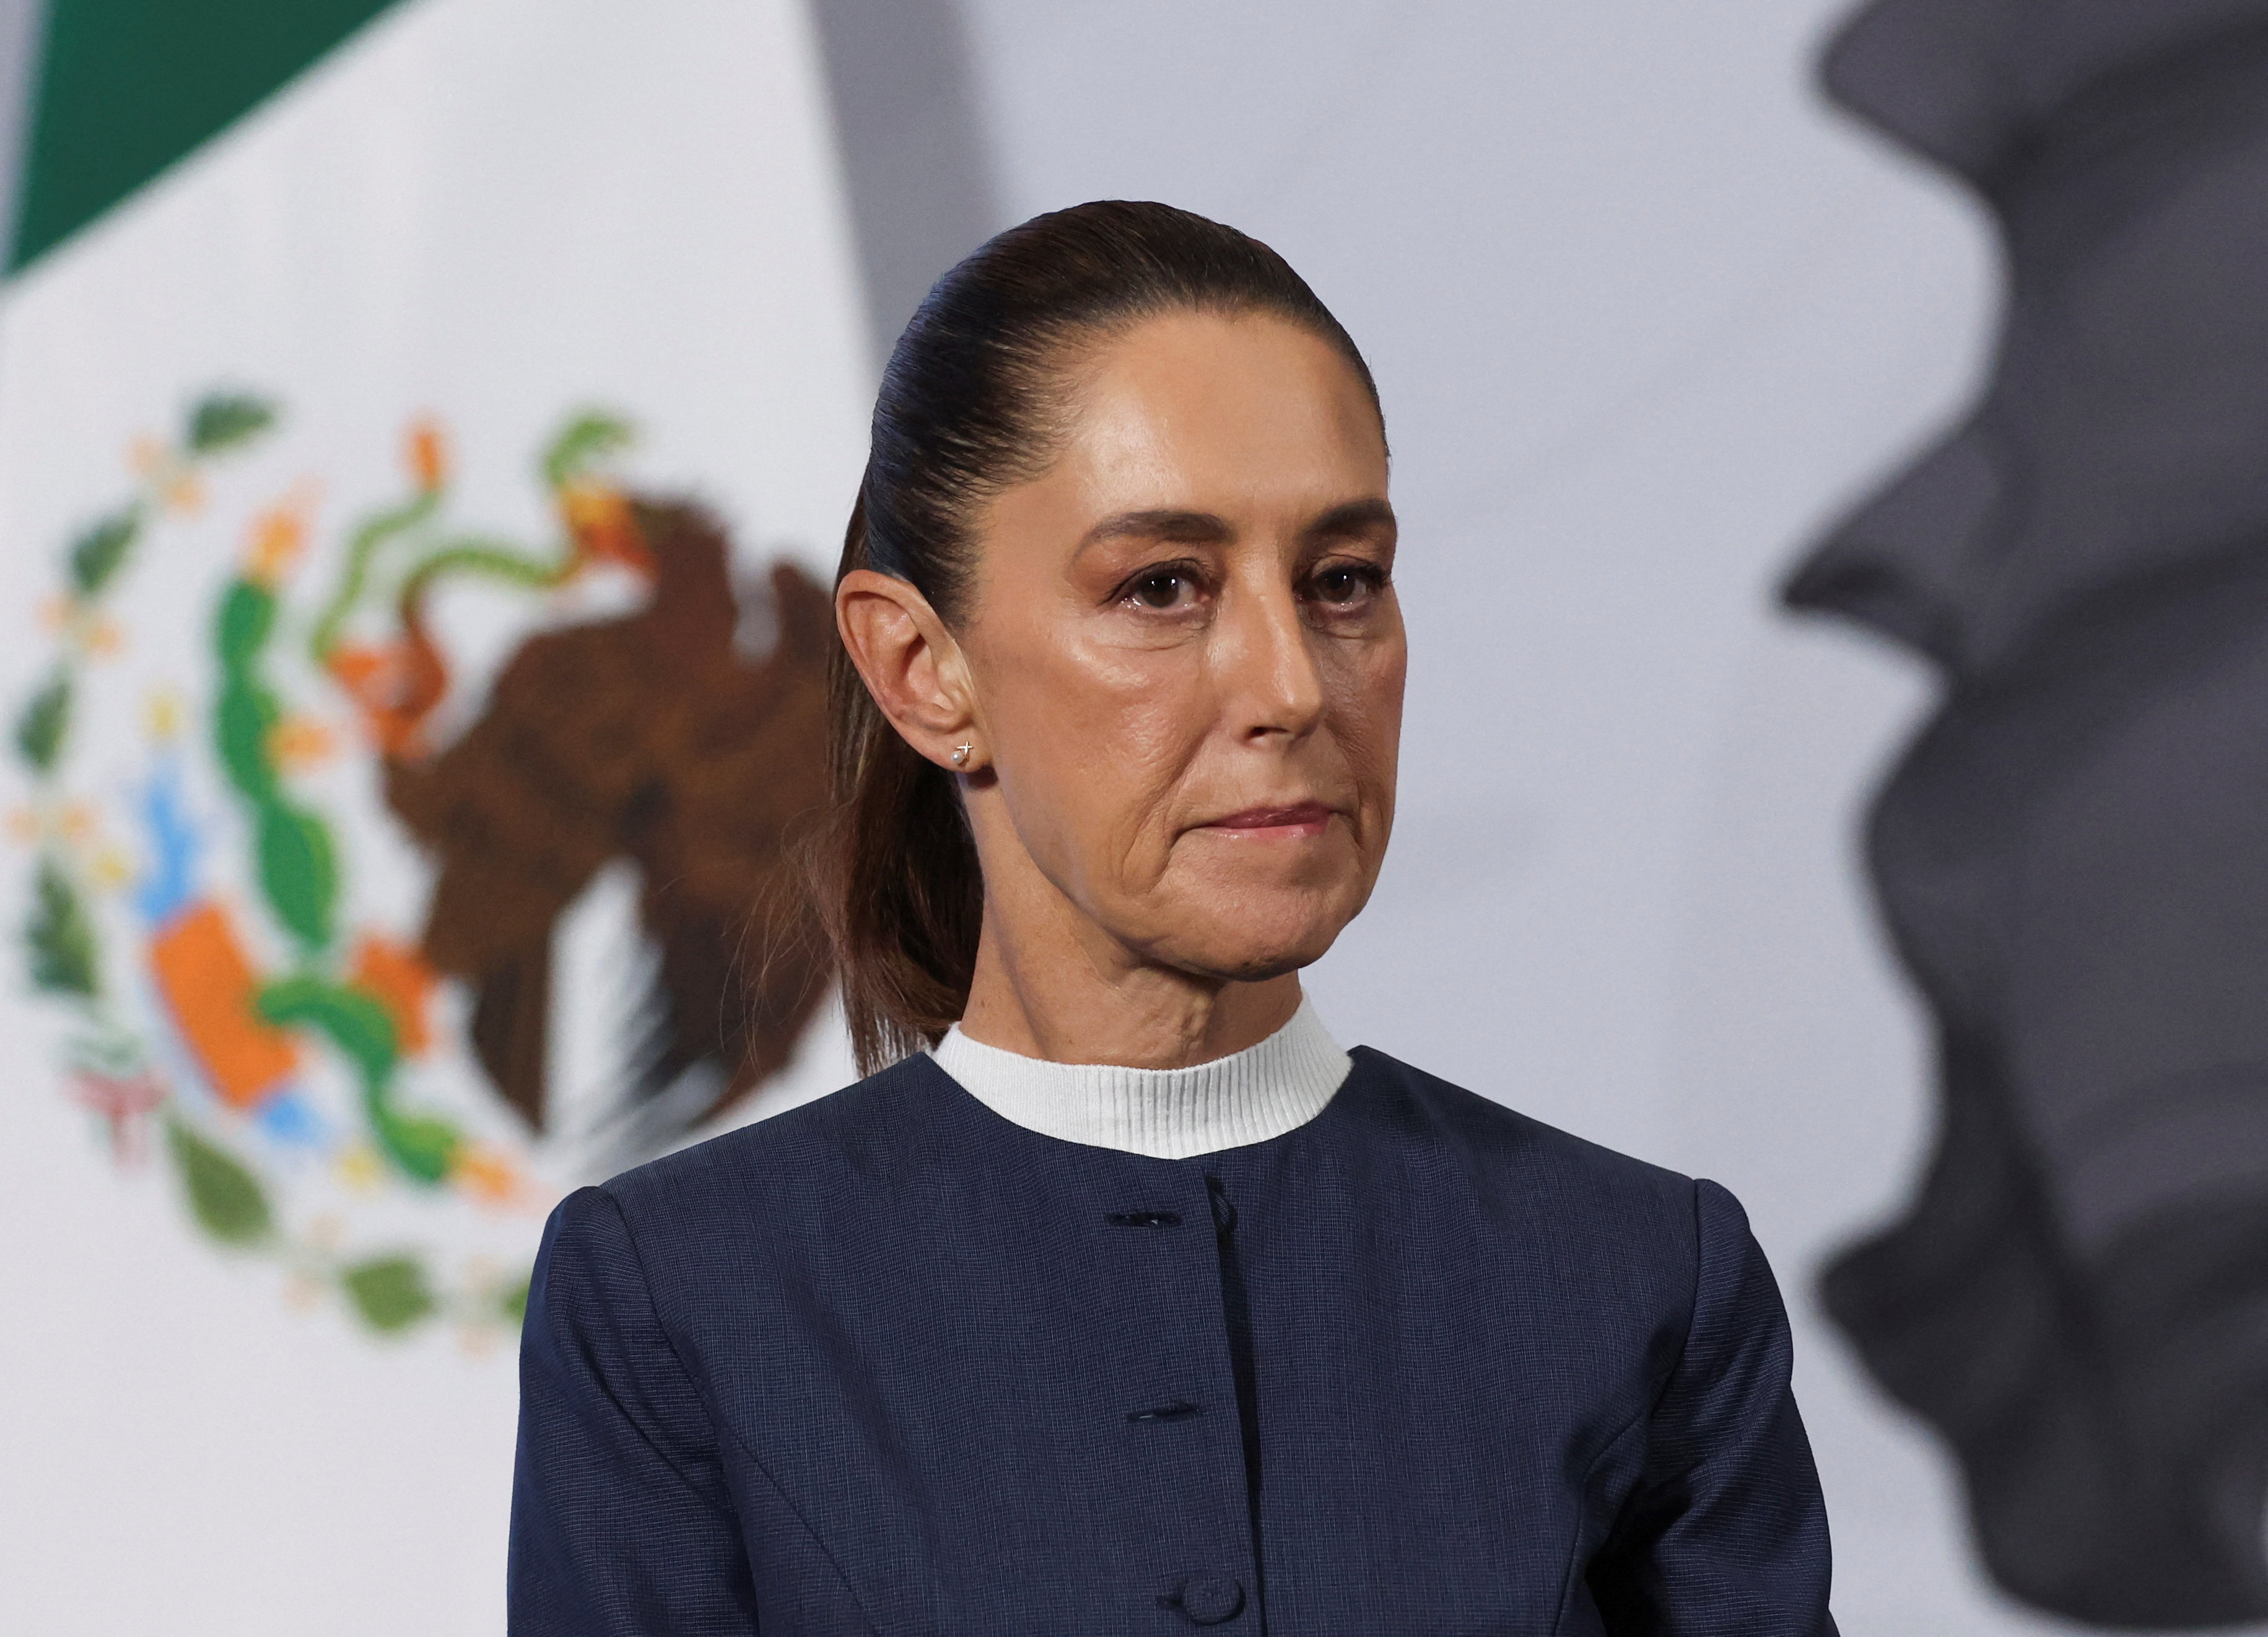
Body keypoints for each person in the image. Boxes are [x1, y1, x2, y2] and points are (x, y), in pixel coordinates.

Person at [508, 200, 1837, 1635]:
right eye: (1160, 586)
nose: (1291, 685)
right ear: (920, 666)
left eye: (1342, 581)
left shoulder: (1636, 1274)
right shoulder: (682, 1301)